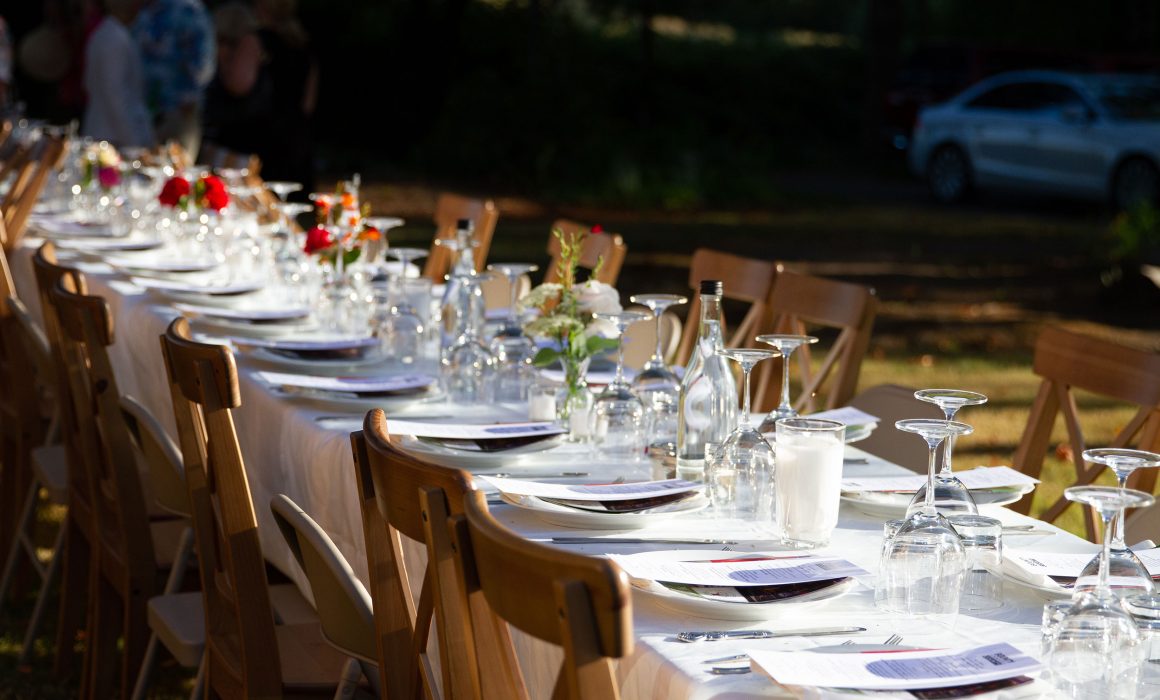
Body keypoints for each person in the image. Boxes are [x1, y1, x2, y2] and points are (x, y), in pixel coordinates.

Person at [132, 0, 214, 159]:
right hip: (146, 112)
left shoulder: (190, 10)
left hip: (178, 112)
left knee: (175, 174)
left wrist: (188, 95)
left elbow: (203, 66)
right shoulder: (149, 10)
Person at [82, 0, 154, 147]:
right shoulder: (115, 38)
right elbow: (115, 95)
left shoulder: (105, 33)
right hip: (112, 137)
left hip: (106, 132)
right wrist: (135, 143)